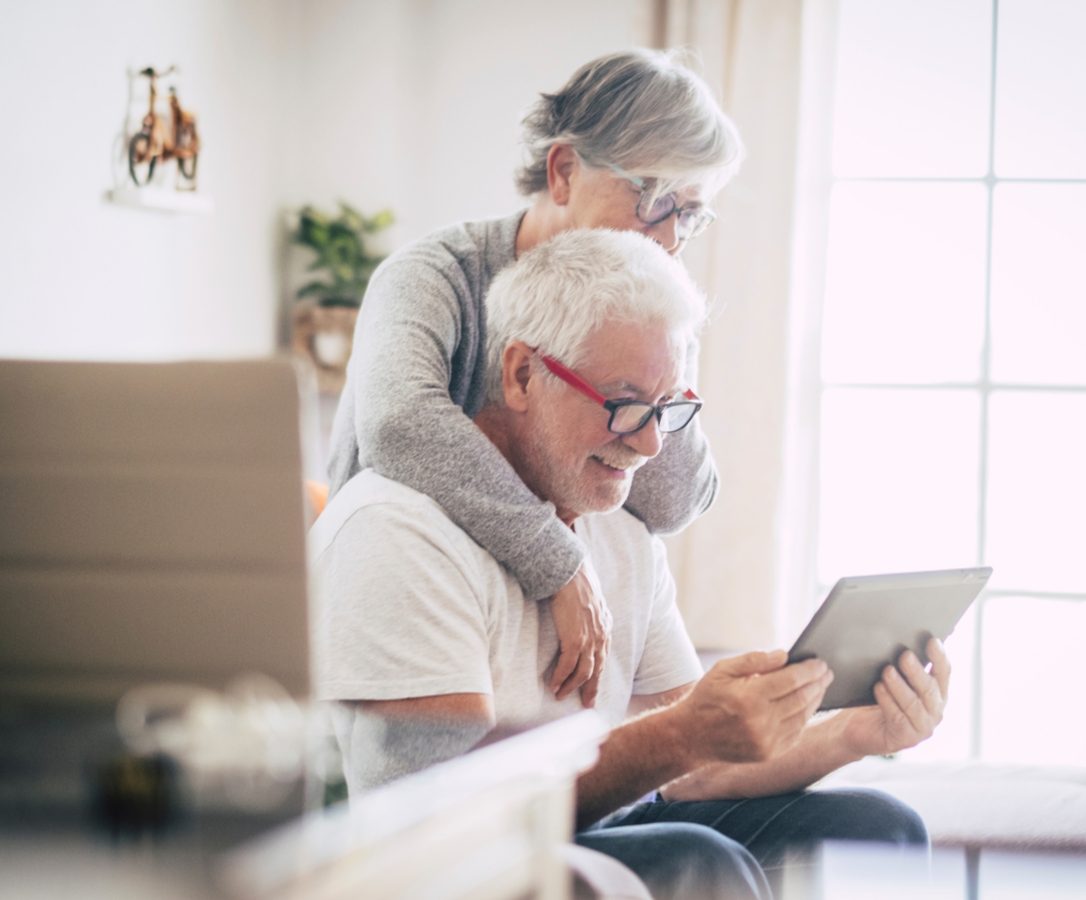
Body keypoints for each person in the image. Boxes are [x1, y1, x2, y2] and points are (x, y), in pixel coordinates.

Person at [312, 230, 946, 900]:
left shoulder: (620, 528)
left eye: (667, 408)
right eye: (622, 404)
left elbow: (695, 771)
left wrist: (855, 733)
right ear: (522, 373)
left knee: (882, 831)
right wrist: (679, 735)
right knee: (693, 857)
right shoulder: (399, 530)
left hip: (598, 826)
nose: (647, 443)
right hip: (457, 869)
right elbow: (447, 817)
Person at [325, 49, 744, 708]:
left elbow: (670, 501)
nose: (670, 237)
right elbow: (398, 424)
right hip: (405, 624)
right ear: (564, 170)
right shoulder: (433, 277)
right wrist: (558, 559)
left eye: (689, 213)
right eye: (654, 198)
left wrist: (658, 357)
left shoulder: (650, 295)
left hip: (535, 660)